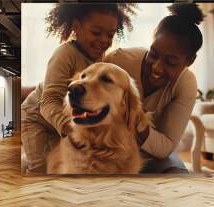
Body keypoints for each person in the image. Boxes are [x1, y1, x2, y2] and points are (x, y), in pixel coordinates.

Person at [21, 3, 137, 173]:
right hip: (36, 118)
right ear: (76, 26)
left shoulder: (99, 58)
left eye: (110, 34)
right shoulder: (65, 54)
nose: (104, 40)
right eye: (96, 33)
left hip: (64, 122)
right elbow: (48, 100)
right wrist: (70, 128)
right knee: (41, 168)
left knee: (62, 165)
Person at [103, 3, 203, 173]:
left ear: (190, 61)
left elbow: (165, 147)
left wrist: (131, 120)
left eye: (171, 62)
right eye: (154, 54)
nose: (156, 67)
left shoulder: (186, 84)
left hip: (146, 156)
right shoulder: (118, 62)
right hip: (103, 151)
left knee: (177, 174)